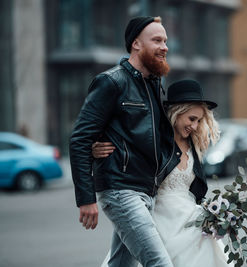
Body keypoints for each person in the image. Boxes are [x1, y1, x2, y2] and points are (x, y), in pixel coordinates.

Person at [69, 16, 175, 267]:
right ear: (136, 44)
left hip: (146, 190)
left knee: (121, 264)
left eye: (165, 41)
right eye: (157, 40)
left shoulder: (155, 85)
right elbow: (80, 139)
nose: (165, 47)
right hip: (121, 190)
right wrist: (86, 199)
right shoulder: (112, 82)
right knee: (160, 263)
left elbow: (157, 138)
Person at [94, 80, 233, 267]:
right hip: (157, 219)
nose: (195, 125)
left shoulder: (194, 144)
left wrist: (216, 213)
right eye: (191, 119)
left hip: (193, 220)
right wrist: (94, 151)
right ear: (177, 112)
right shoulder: (152, 142)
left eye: (199, 120)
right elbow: (123, 152)